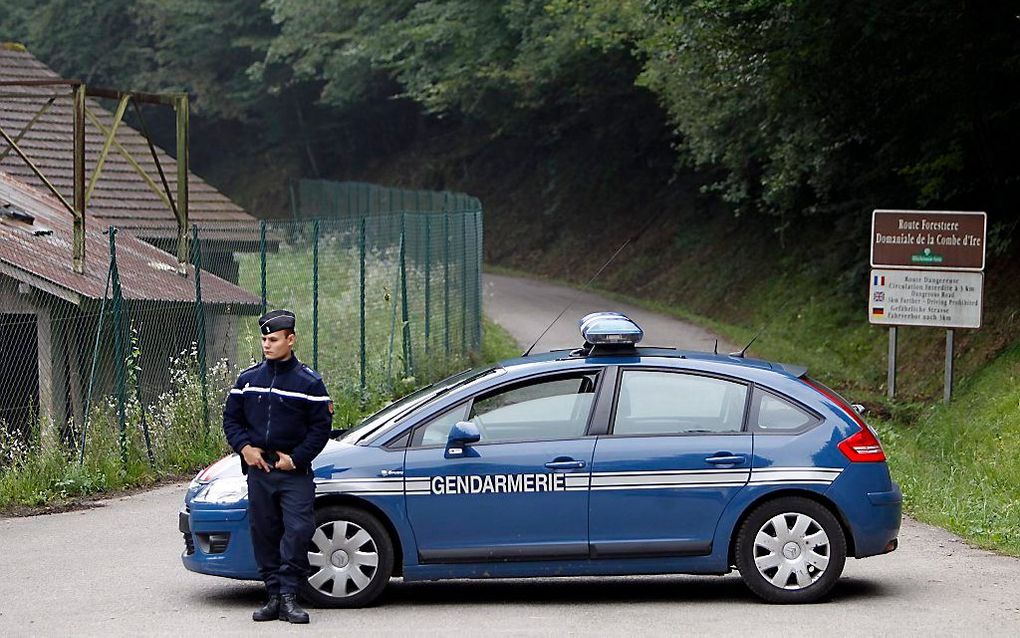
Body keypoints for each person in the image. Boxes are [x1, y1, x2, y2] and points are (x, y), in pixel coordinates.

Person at [222, 309, 333, 624]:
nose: (267, 345)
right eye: (264, 339)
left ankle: (289, 595)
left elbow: (320, 429)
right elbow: (231, 418)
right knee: (264, 532)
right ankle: (273, 596)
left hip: (292, 471)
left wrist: (296, 458)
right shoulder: (248, 379)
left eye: (273, 339)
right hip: (260, 469)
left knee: (298, 529)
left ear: (291, 339)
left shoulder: (309, 382)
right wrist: (244, 448)